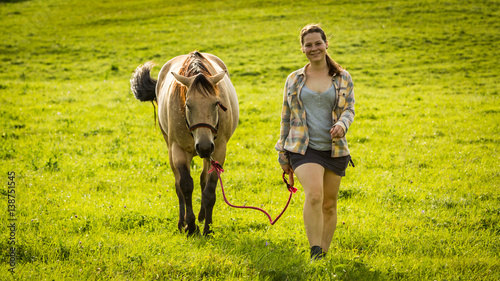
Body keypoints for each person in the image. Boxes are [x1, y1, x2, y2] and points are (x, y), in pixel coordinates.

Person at [275, 24, 355, 260]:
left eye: (318, 43)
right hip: (303, 148)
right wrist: (282, 153)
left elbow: (349, 109)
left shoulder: (342, 77)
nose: (314, 48)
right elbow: (286, 116)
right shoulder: (294, 79)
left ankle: (324, 253)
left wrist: (342, 124)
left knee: (329, 205)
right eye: (308, 44)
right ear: (302, 48)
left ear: (326, 44)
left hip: (334, 149)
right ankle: (315, 251)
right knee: (315, 196)